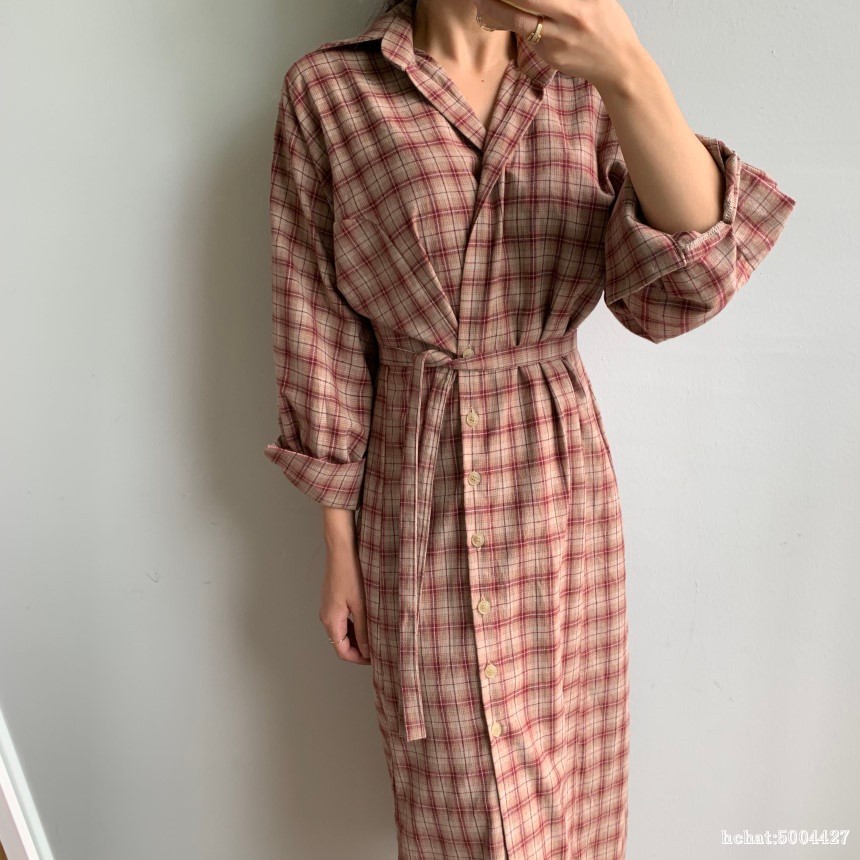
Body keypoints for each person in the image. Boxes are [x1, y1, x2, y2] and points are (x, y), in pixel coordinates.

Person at [262, 0, 797, 855]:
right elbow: (317, 322)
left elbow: (684, 289)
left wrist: (627, 68)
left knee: (573, 793)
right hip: (420, 487)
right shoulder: (331, 89)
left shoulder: (581, 80)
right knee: (462, 804)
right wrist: (338, 542)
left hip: (557, 484)